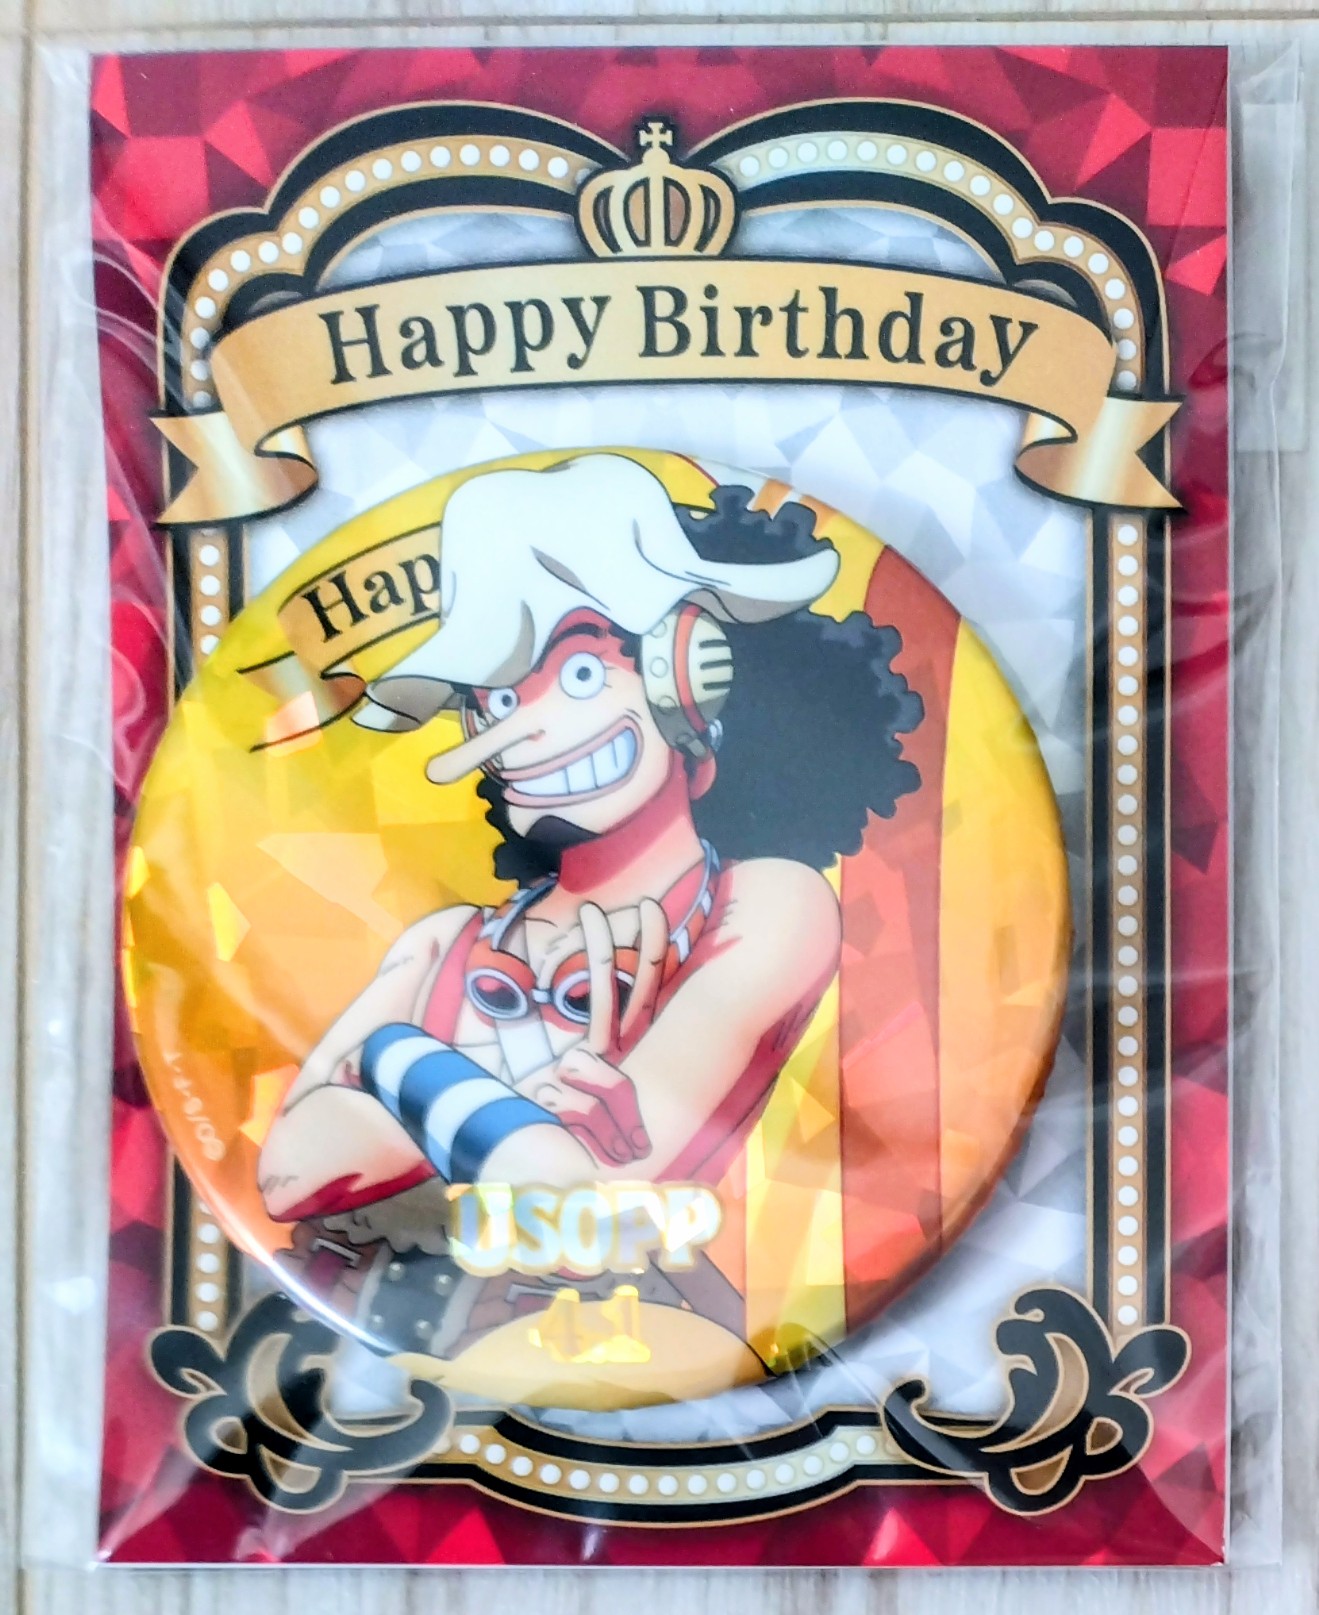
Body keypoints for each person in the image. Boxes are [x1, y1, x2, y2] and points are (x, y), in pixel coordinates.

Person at [258, 453, 924, 1231]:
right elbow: (285, 1174)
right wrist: (512, 1121)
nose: (516, 732)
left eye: (579, 672)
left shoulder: (772, 901)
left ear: (685, 675)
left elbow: (586, 1200)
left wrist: (395, 1062)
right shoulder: (443, 943)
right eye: (494, 699)